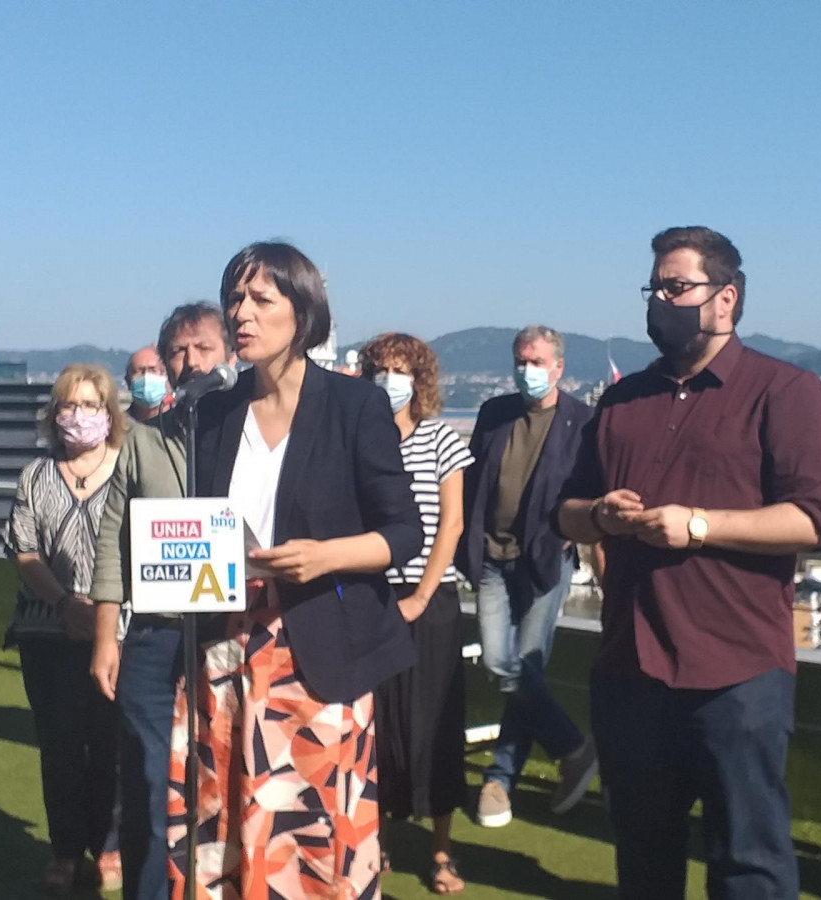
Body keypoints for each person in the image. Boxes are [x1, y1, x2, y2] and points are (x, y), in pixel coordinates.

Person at [555, 225, 821, 900]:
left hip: (737, 674)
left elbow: (817, 519)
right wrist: (600, 515)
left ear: (725, 300)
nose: (661, 300)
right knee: (644, 860)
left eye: (677, 286)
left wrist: (701, 526)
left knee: (750, 863)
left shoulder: (786, 391)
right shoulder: (622, 401)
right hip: (630, 670)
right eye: (655, 287)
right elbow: (565, 512)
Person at [163, 242, 423, 900]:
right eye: (234, 299)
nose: (240, 314)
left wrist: (324, 556)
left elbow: (404, 533)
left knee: (314, 837)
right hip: (224, 652)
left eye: (259, 300)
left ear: (301, 313)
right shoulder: (211, 414)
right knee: (224, 821)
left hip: (319, 655)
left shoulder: (353, 405)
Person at [90, 302, 233, 900]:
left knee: (225, 778)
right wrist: (104, 635)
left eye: (202, 347)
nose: (190, 360)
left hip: (229, 631)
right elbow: (111, 539)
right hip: (152, 633)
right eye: (178, 350)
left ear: (227, 352)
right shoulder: (140, 441)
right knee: (151, 781)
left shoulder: (245, 431)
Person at [457, 325, 598, 829]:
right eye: (520, 360)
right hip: (491, 557)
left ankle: (499, 780)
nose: (527, 371)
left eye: (537, 361)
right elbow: (471, 478)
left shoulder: (582, 421)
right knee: (501, 663)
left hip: (544, 560)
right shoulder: (494, 413)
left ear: (559, 367)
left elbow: (590, 491)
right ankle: (573, 746)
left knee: (527, 665)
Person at [3, 363, 129, 894]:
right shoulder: (35, 475)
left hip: (116, 634)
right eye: (68, 405)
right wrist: (63, 605)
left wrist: (99, 614)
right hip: (45, 632)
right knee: (58, 745)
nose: (78, 416)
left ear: (109, 413)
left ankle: (107, 845)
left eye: (90, 405)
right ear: (55, 414)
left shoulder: (130, 470)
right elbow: (24, 551)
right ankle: (64, 848)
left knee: (109, 746)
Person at [358, 333, 474, 895]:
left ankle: (442, 850)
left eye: (401, 370)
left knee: (435, 727)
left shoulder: (442, 440)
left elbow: (449, 525)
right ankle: (373, 839)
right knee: (375, 726)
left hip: (431, 604)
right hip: (372, 602)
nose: (390, 380)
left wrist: (422, 596)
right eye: (380, 369)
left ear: (420, 379)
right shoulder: (357, 440)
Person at [126, 346, 171, 423]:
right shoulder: (118, 426)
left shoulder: (184, 422)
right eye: (139, 371)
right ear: (128, 380)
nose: (146, 376)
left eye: (153, 370)